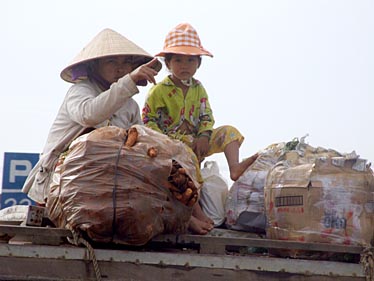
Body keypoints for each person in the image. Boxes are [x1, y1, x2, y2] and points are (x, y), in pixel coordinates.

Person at [142, 23, 259, 234]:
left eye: (190, 60)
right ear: (168, 63)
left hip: (198, 138)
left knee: (228, 131)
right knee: (188, 161)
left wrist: (204, 135)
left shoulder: (198, 88)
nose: (184, 64)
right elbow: (148, 120)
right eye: (178, 59)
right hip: (172, 143)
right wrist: (167, 141)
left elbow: (207, 116)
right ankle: (197, 213)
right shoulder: (159, 90)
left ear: (198, 64)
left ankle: (234, 168)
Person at [22, 28, 161, 204]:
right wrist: (129, 81)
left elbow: (140, 142)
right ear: (94, 66)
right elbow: (89, 115)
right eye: (111, 61)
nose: (120, 68)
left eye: (126, 62)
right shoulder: (80, 91)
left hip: (108, 184)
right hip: (61, 180)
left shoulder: (130, 105)